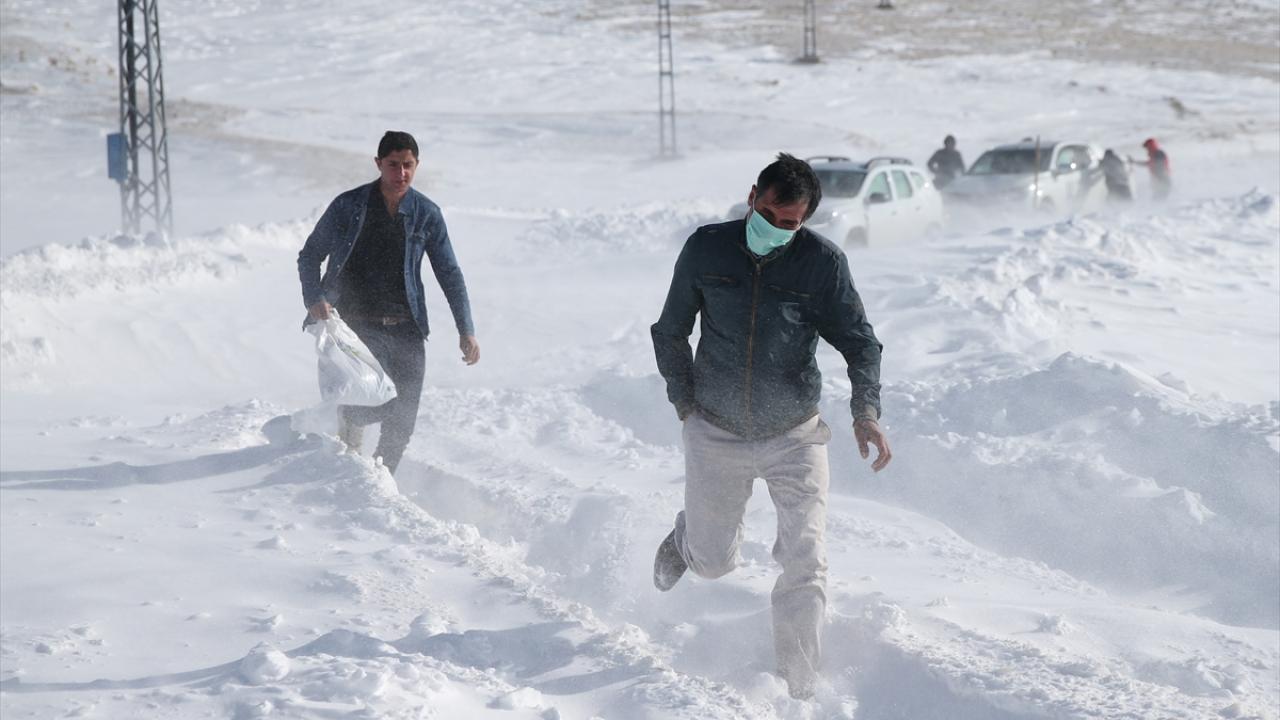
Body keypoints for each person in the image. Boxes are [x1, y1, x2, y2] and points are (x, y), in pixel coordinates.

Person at [650, 153, 892, 700]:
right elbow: (670, 330)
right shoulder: (706, 248)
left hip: (794, 434)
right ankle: (689, 539)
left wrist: (866, 412)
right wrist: (685, 403)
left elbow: (860, 342)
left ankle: (798, 689)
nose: (777, 229)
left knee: (806, 560)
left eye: (790, 223)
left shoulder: (820, 263)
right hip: (716, 428)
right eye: (769, 214)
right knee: (714, 565)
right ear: (753, 195)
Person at [297, 131, 479, 475]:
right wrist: (314, 298)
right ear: (378, 164)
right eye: (393, 165)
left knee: (403, 420)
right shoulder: (349, 206)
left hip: (407, 328)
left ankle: (380, 484)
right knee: (371, 403)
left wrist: (465, 329)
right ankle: (349, 446)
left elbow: (449, 273)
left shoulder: (426, 213)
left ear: (417, 165)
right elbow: (309, 256)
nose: (401, 174)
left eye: (408, 165)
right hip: (356, 327)